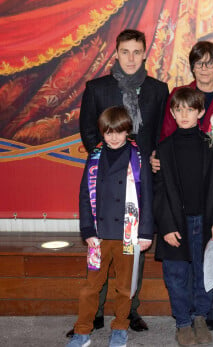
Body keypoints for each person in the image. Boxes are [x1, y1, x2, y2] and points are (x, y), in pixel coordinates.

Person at [76, 29, 168, 334]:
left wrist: (153, 157)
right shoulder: (97, 88)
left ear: (145, 54)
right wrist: (105, 160)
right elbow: (89, 130)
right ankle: (97, 310)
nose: (131, 58)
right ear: (116, 53)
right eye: (125, 51)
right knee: (100, 245)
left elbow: (159, 133)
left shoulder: (157, 89)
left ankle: (130, 310)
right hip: (105, 178)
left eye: (136, 52)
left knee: (133, 246)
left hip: (140, 181)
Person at [153, 41, 213, 331]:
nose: (204, 68)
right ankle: (190, 313)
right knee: (188, 253)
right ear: (192, 67)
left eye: (210, 63)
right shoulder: (180, 96)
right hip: (183, 188)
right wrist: (158, 159)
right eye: (199, 63)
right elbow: (166, 138)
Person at [68, 106, 154, 347]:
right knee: (90, 288)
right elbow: (85, 195)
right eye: (108, 132)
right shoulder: (94, 156)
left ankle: (120, 327)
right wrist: (87, 230)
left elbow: (147, 195)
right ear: (102, 133)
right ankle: (82, 331)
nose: (114, 137)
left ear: (128, 130)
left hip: (128, 234)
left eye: (119, 131)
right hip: (99, 236)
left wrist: (146, 232)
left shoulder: (138, 157)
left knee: (125, 288)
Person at [153, 87, 213, 346]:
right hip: (175, 223)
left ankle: (200, 317)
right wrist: (166, 226)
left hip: (204, 222)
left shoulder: (212, 146)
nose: (184, 114)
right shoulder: (162, 149)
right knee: (176, 275)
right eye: (179, 109)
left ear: (201, 111)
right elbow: (159, 193)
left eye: (190, 109)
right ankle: (183, 322)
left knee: (203, 272)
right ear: (172, 113)